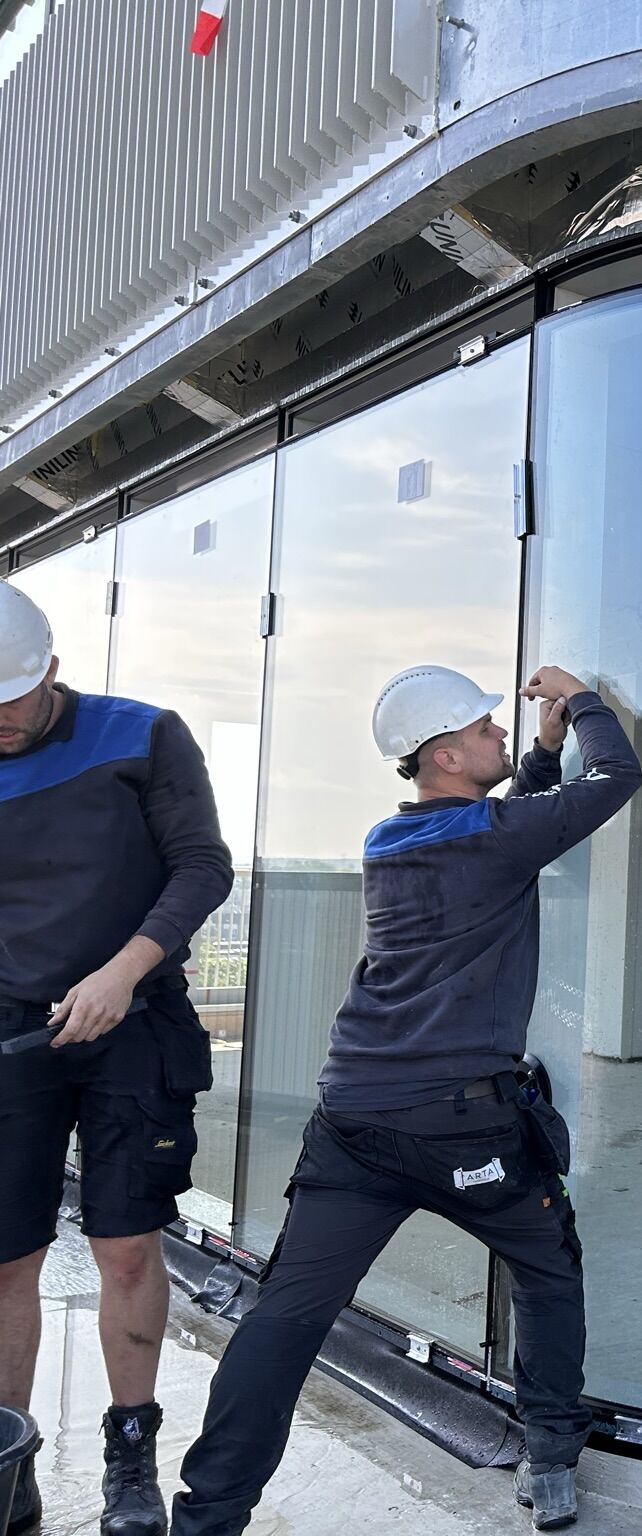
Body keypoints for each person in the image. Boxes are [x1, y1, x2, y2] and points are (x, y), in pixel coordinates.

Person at [170, 663, 642, 1535]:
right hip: (463, 1128)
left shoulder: (391, 838)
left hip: (352, 1119)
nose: (503, 735)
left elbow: (502, 833)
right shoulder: (491, 836)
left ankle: (208, 1516)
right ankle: (549, 1459)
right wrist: (581, 702)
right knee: (546, 1269)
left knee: (287, 1316)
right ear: (448, 755)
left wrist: (540, 757)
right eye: (487, 730)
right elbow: (617, 776)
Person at [0, 580, 234, 1536]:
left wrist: (122, 972)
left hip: (133, 1021)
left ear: (51, 670)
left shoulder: (142, 736)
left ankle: (129, 1456)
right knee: (7, 1260)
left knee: (126, 1246)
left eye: (9, 700)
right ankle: (9, 1465)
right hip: (12, 1034)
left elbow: (203, 865)